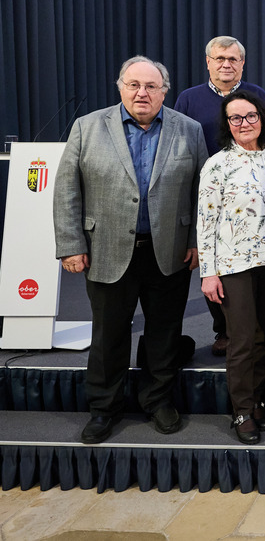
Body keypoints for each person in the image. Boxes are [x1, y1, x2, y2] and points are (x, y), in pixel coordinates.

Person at [54, 55, 207, 444]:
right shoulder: (87, 127)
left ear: (164, 91)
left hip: (169, 251)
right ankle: (104, 408)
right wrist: (70, 245)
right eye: (134, 85)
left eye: (151, 86)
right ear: (120, 87)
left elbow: (202, 194)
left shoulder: (188, 129)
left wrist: (196, 242)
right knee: (109, 334)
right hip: (105, 248)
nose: (142, 93)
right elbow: (67, 190)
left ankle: (157, 401)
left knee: (164, 333)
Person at [174, 36, 265, 357]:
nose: (226, 64)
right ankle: (223, 329)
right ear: (208, 62)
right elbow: (178, 149)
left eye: (233, 59)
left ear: (242, 63)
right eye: (220, 58)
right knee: (217, 265)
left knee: (260, 272)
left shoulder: (257, 95)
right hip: (207, 195)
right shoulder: (189, 99)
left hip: (252, 199)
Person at [197, 91, 265, 444]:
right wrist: (208, 272)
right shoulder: (217, 164)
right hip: (234, 264)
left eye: (250, 116)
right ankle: (241, 409)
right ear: (227, 124)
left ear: (261, 119)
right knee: (242, 339)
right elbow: (206, 222)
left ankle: (256, 400)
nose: (244, 123)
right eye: (235, 118)